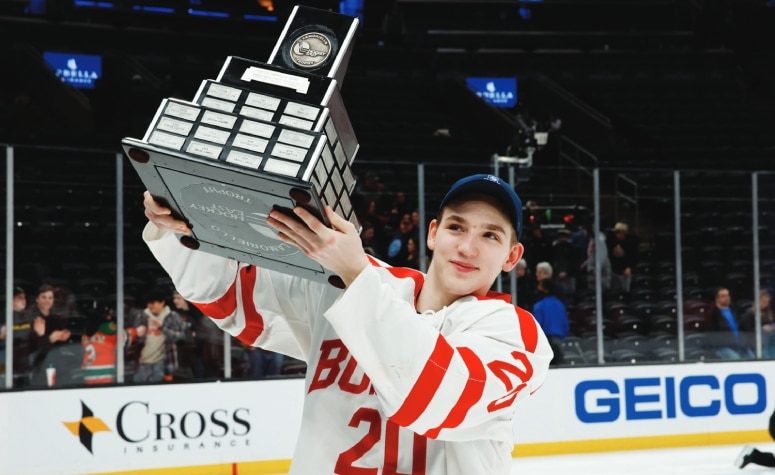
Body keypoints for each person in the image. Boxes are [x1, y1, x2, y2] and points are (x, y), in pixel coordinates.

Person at [142, 173, 553, 474]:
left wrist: (357, 274)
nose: (466, 246)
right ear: (432, 234)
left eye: (490, 236)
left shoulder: (512, 333)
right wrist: (188, 221)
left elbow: (430, 402)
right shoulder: (356, 279)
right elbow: (229, 294)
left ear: (512, 257)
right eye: (456, 227)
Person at [132, 287, 189, 383]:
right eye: (148, 303)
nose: (150, 306)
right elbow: (133, 339)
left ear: (162, 303)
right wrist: (136, 333)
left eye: (153, 303)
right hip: (142, 363)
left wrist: (162, 328)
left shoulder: (172, 316)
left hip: (163, 364)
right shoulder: (142, 316)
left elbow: (183, 337)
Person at [708, 287, 754, 360]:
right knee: (735, 358)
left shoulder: (735, 310)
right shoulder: (713, 314)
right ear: (717, 299)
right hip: (723, 346)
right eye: (723, 296)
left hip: (740, 344)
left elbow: (742, 325)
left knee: (753, 357)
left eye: (728, 295)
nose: (727, 298)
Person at [532, 278, 570, 366]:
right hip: (558, 340)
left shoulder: (540, 305)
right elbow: (565, 325)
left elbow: (537, 325)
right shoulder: (560, 305)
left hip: (545, 341)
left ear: (545, 289)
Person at [740, 289, 775, 359]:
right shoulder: (749, 314)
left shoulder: (769, 314)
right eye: (764, 302)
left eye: (767, 302)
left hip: (770, 342)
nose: (766, 304)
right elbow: (747, 330)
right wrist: (762, 328)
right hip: (756, 343)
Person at [606, 222, 638, 294]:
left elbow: (634, 257)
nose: (617, 234)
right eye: (616, 232)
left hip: (625, 270)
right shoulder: (612, 242)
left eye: (619, 232)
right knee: (614, 291)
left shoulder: (630, 243)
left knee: (625, 291)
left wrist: (629, 268)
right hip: (614, 270)